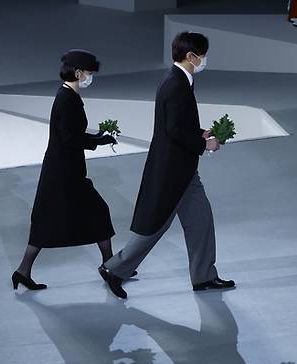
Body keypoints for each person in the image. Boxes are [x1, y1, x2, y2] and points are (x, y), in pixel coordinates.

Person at [98, 32, 235, 299]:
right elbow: (173, 130)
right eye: (203, 55)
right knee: (156, 226)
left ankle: (204, 276)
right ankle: (114, 269)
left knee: (201, 220)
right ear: (191, 56)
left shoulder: (179, 80)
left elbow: (178, 123)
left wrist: (200, 132)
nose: (205, 59)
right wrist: (204, 144)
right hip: (173, 171)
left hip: (183, 169)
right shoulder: (175, 85)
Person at [12, 49, 118, 290]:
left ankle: (22, 271)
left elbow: (70, 134)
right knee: (97, 212)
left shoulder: (67, 95)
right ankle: (110, 267)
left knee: (47, 220)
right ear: (78, 73)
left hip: (61, 170)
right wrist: (97, 141)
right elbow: (70, 138)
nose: (90, 77)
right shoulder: (67, 99)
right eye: (89, 73)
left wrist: (96, 137)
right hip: (65, 173)